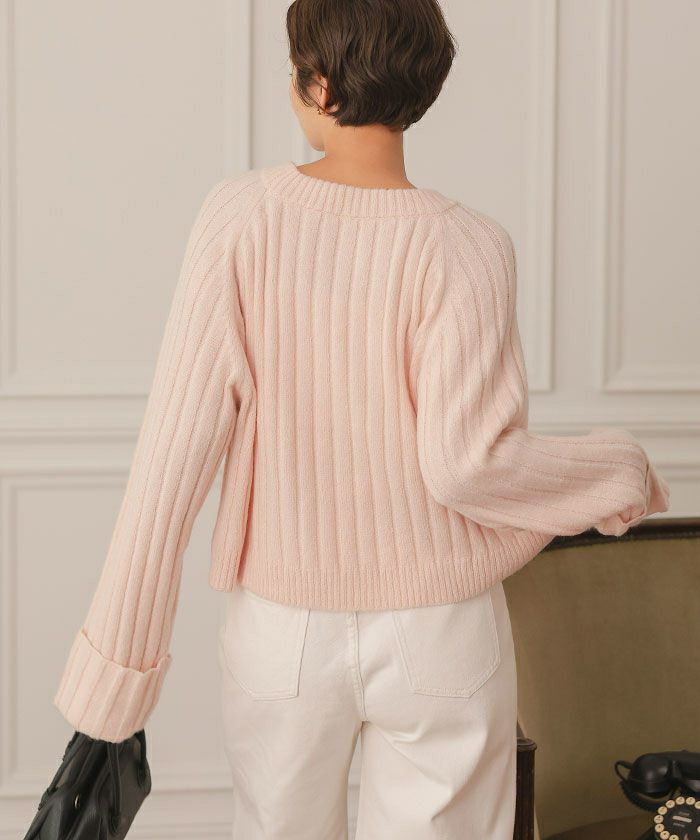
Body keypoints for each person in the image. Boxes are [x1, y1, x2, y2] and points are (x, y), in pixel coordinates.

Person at [52, 0, 671, 837]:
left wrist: (114, 677)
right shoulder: (469, 243)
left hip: (283, 631)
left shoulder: (240, 217)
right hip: (441, 628)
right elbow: (470, 465)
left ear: (320, 85)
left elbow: (173, 454)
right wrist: (617, 467)